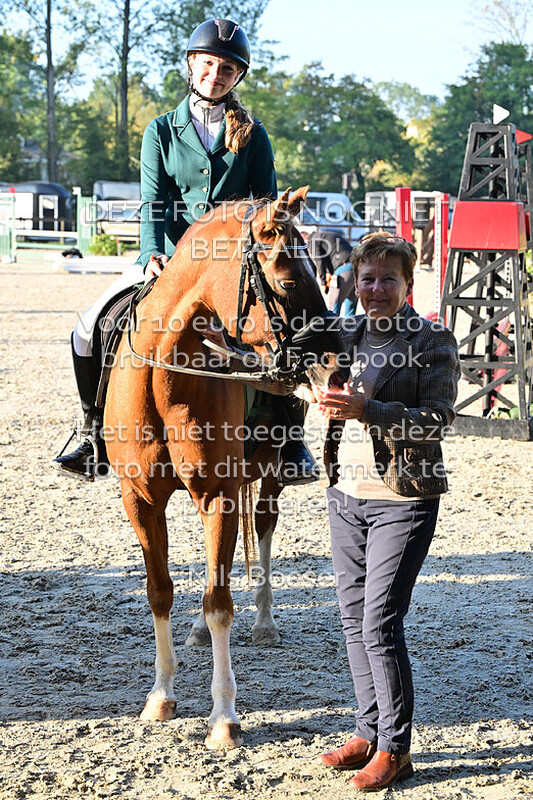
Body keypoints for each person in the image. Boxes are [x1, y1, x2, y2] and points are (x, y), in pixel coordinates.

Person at [51, 18, 318, 485]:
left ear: (237, 78)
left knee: (284, 322)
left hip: (235, 267)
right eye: (209, 64)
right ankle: (92, 431)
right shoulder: (160, 130)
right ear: (192, 65)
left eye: (227, 69)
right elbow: (153, 201)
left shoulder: (253, 135)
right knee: (90, 326)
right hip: (172, 262)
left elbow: (267, 207)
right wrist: (152, 251)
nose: (216, 74)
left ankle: (290, 439)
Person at [316, 232, 460, 791]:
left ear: (408, 283)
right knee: (353, 620)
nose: (375, 289)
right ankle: (368, 731)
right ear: (354, 280)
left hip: (404, 497)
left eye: (388, 279)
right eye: (367, 278)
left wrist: (366, 408)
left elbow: (438, 418)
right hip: (345, 494)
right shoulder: (345, 332)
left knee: (380, 621)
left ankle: (396, 749)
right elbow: (281, 359)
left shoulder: (432, 340)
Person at [307, 228, 356, 316]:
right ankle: (351, 328)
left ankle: (332, 329)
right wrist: (329, 274)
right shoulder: (325, 235)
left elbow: (319, 261)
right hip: (357, 267)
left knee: (333, 306)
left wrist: (322, 282)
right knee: (351, 308)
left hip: (343, 268)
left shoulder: (313, 240)